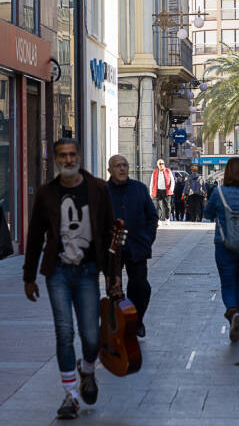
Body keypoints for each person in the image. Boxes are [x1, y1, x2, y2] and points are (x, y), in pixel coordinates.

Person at [23, 138, 115, 419]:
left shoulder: (98, 189)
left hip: (88, 272)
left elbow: (110, 233)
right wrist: (29, 276)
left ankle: (87, 370)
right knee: (64, 333)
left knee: (90, 337)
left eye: (72, 154)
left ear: (80, 156)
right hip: (58, 273)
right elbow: (36, 235)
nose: (68, 160)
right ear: (55, 160)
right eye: (62, 155)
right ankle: (71, 395)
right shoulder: (46, 193)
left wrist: (113, 275)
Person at [203, 158, 239, 342]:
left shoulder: (219, 193)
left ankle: (233, 313)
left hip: (224, 245)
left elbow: (207, 214)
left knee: (228, 284)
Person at [107, 154, 158, 338]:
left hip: (137, 246)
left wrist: (147, 238)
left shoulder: (139, 189)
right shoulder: (103, 191)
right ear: (109, 170)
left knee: (141, 287)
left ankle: (136, 320)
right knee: (113, 288)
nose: (121, 169)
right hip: (112, 250)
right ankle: (117, 325)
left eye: (124, 165)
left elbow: (152, 216)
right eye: (117, 166)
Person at [150, 159, 175, 224]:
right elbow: (151, 183)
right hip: (158, 191)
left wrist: (171, 189)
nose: (161, 165)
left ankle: (167, 219)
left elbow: (172, 181)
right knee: (159, 206)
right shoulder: (155, 172)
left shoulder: (168, 171)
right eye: (160, 164)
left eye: (162, 163)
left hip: (167, 191)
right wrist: (151, 192)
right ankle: (159, 220)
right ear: (157, 165)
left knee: (168, 206)